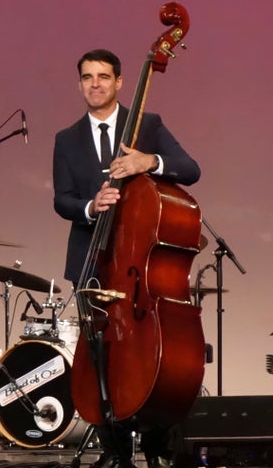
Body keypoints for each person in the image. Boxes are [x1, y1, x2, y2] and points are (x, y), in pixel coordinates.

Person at [52, 49, 201, 468]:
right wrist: (89, 206)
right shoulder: (67, 138)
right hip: (92, 263)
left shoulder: (147, 126)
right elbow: (62, 199)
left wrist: (149, 161)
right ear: (79, 83)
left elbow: (190, 169)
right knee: (99, 356)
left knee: (143, 352)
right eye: (86, 77)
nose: (95, 83)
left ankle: (155, 442)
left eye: (103, 76)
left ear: (119, 82)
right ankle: (113, 450)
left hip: (138, 268)